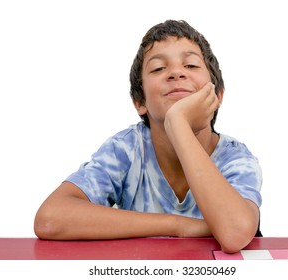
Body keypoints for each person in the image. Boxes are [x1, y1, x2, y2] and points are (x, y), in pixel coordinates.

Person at [34, 19, 262, 253]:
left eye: (191, 65)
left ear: (218, 94)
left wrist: (179, 123)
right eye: (158, 68)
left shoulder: (236, 158)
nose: (176, 73)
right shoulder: (127, 149)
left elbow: (235, 233)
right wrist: (177, 226)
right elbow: (50, 219)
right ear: (140, 102)